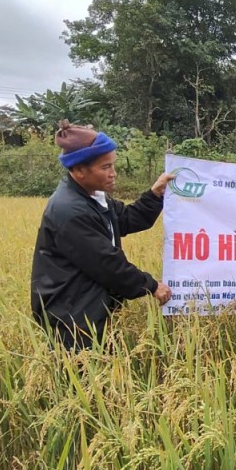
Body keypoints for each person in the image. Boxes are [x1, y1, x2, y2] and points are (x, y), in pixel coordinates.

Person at [30, 121, 175, 350]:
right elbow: (107, 263)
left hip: (88, 307)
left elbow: (126, 219)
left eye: (113, 165)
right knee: (81, 380)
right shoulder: (70, 210)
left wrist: (154, 195)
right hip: (72, 316)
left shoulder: (93, 197)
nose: (113, 174)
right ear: (79, 170)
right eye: (105, 167)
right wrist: (150, 285)